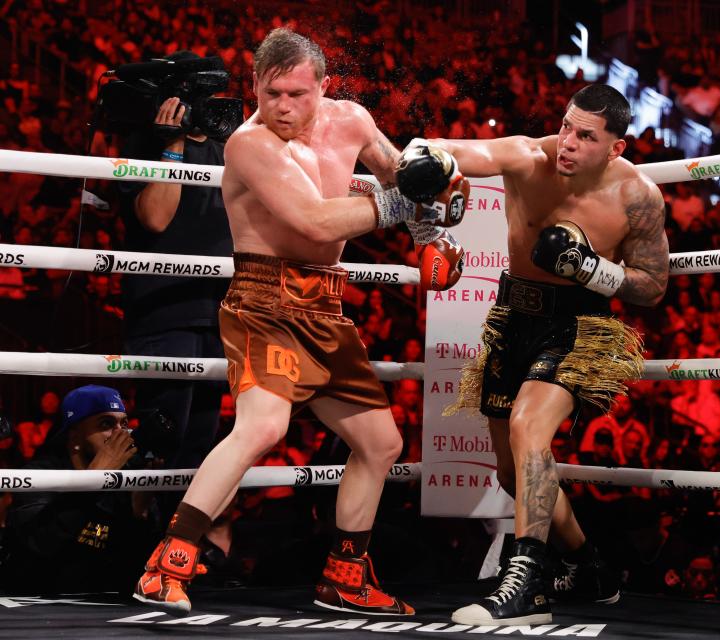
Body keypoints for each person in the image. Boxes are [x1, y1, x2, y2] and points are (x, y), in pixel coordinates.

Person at [134, 28, 470, 614]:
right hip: (264, 297)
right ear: (255, 86)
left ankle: (345, 577)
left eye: (296, 94)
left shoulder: (353, 121)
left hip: (325, 305)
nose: (283, 107)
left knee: (380, 443)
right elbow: (316, 222)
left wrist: (433, 225)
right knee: (262, 428)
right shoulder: (249, 144)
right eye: (271, 94)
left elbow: (400, 176)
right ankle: (169, 562)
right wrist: (407, 204)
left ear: (323, 86)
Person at [437, 84, 669, 624]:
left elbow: (653, 285)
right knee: (509, 471)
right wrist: (424, 155)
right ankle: (589, 567)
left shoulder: (637, 196)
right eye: (566, 126)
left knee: (528, 428)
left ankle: (528, 584)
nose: (567, 142)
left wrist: (593, 268)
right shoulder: (528, 156)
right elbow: (455, 150)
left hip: (581, 326)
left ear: (615, 146)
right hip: (512, 317)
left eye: (586, 136)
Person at [117, 51, 232, 475]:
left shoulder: (230, 149)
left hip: (218, 312)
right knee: (163, 438)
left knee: (199, 449)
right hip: (163, 310)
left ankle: (179, 540)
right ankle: (142, 537)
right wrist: (174, 146)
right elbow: (156, 217)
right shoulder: (143, 144)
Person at [0, 385, 161, 594]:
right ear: (74, 437)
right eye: (107, 423)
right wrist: (92, 480)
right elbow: (39, 548)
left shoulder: (126, 478)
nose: (121, 434)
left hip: (106, 608)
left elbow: (139, 570)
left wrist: (141, 515)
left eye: (124, 423)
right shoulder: (40, 475)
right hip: (38, 608)